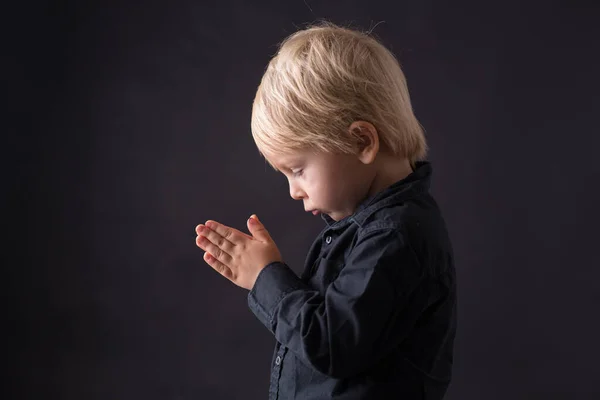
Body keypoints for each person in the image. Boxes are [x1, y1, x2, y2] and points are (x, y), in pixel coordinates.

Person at [195, 20, 456, 399]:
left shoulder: (397, 237)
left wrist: (265, 277)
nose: (293, 191)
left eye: (298, 170)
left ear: (362, 141)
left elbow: (331, 343)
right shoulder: (368, 226)